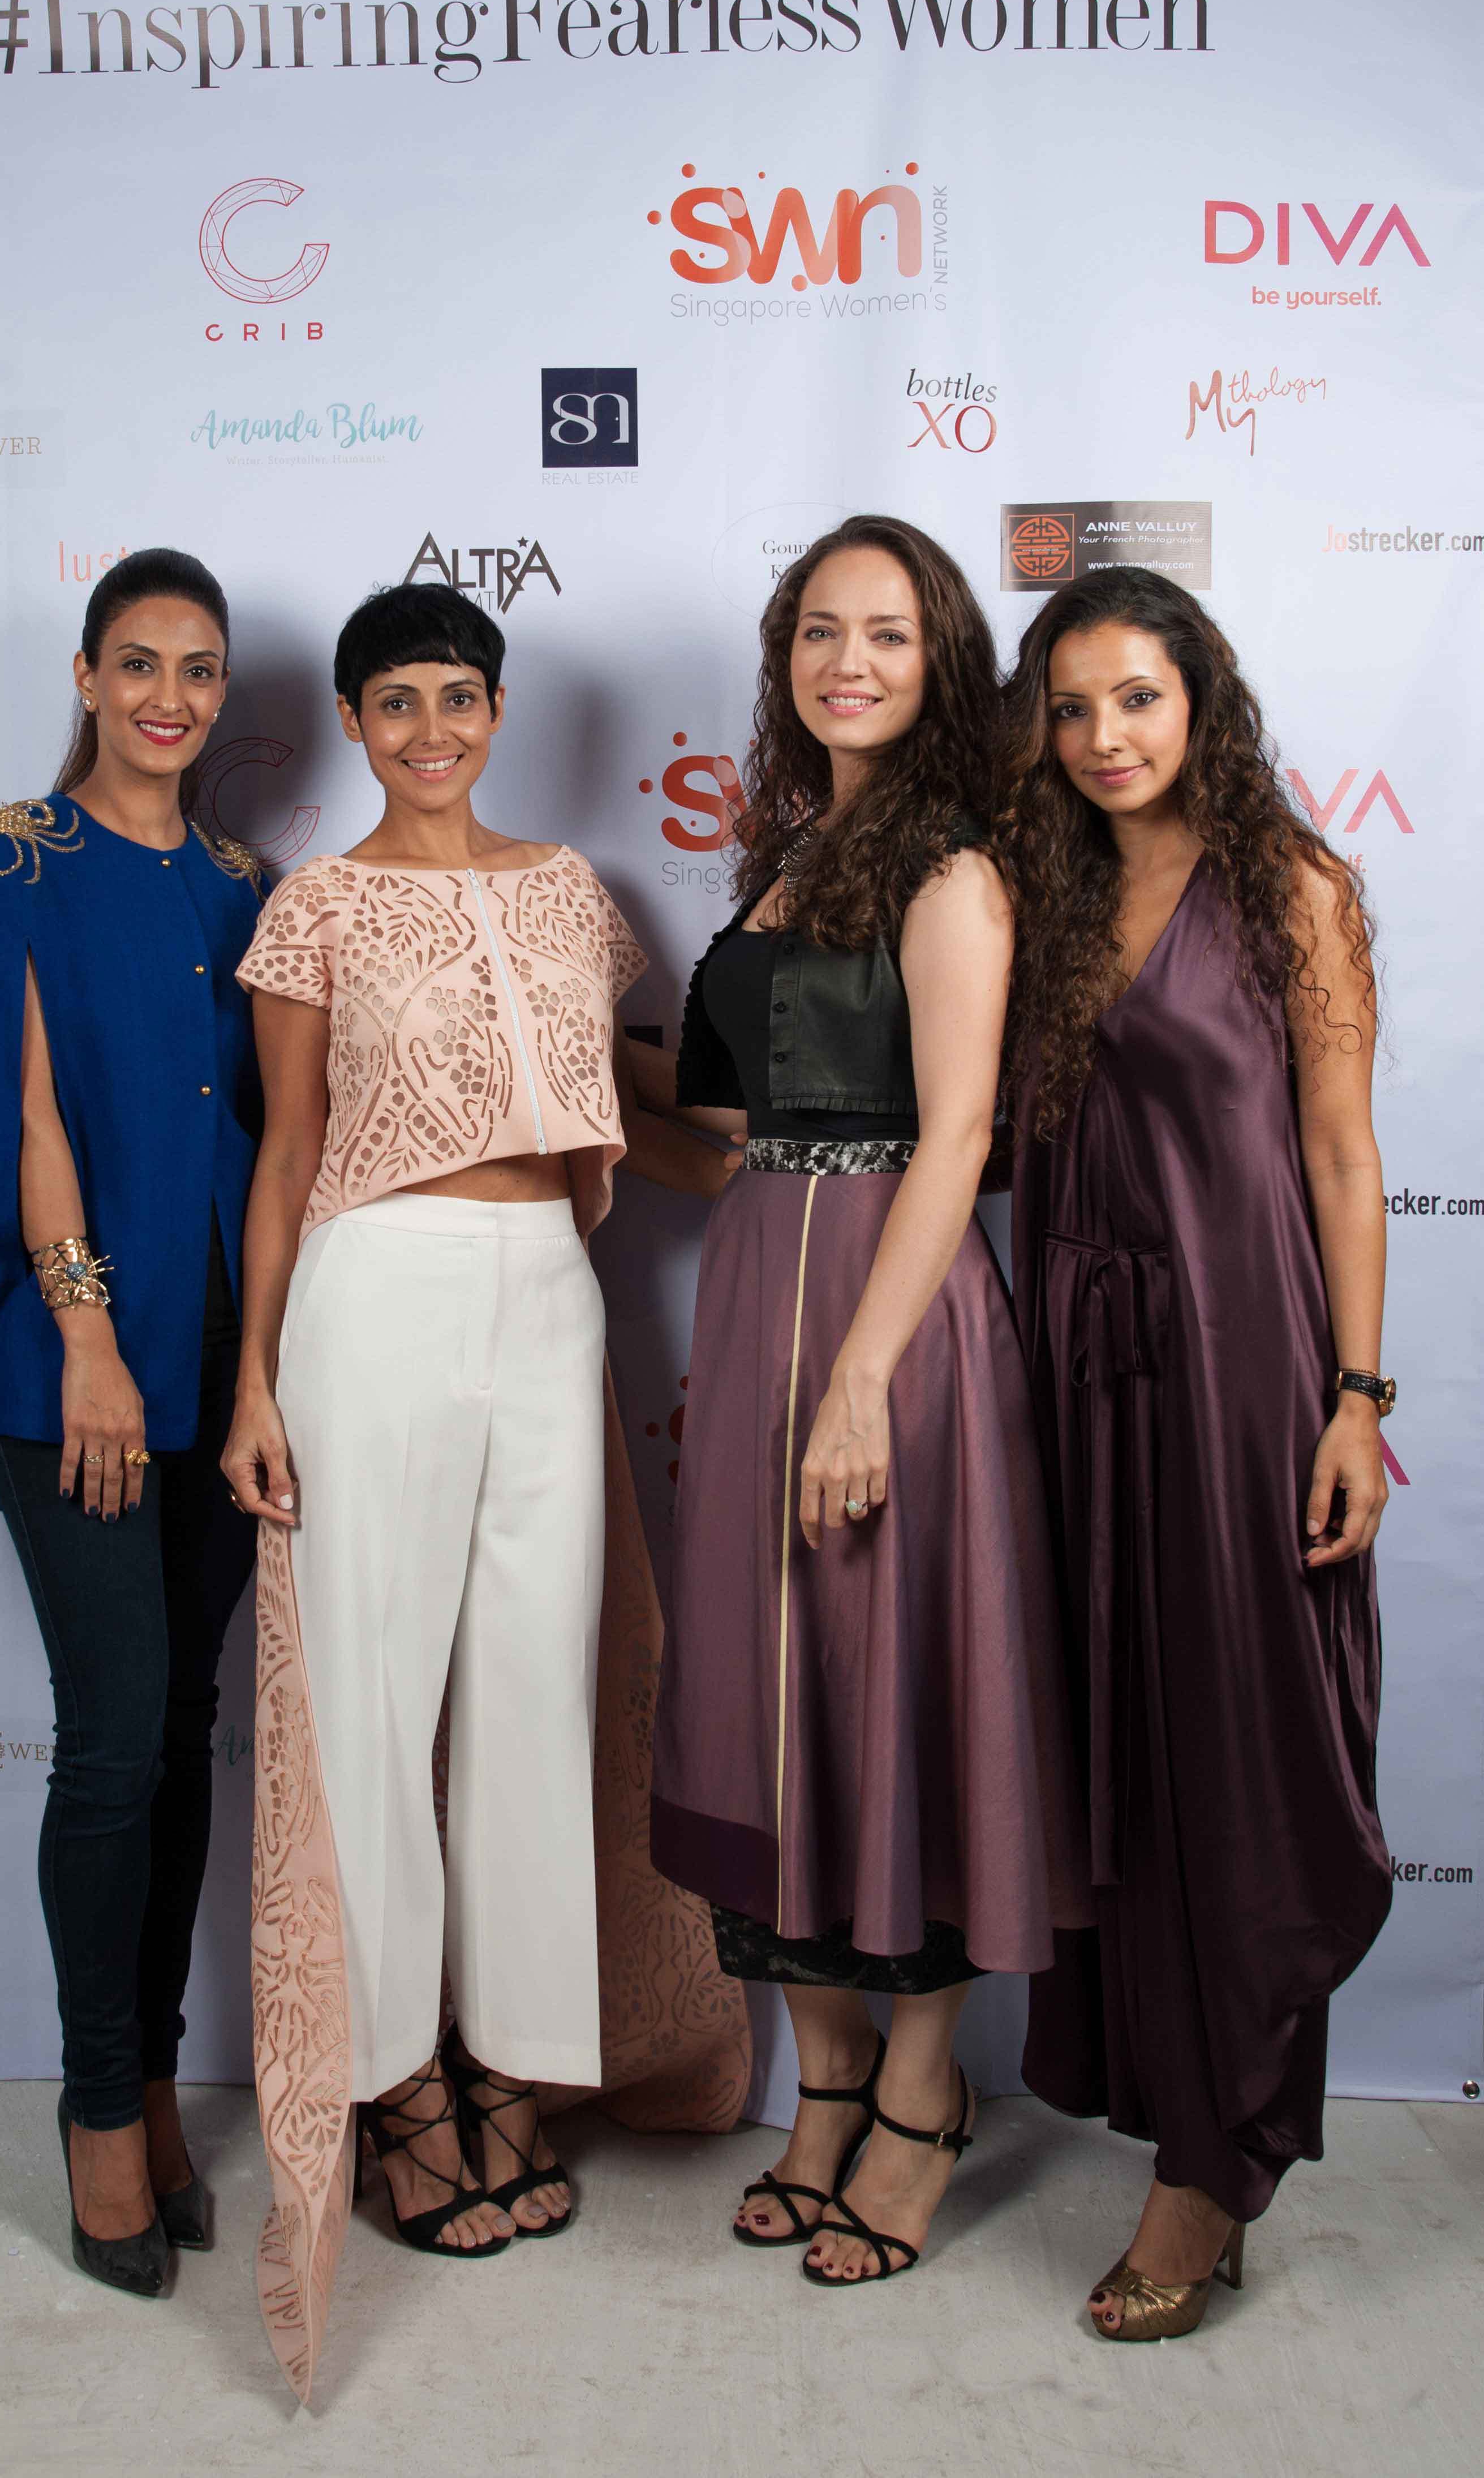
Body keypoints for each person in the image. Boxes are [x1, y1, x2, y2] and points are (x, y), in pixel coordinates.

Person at [221, 582, 748, 2399]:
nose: (431, 730)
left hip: (551, 1295)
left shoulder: (572, 894)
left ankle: (517, 2060)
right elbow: (288, 1154)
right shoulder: (316, 907)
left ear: (499, 711)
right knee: (372, 1705)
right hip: (374, 1294)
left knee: (535, 1695)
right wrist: (252, 1382)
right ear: (354, 725)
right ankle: (391, 2088)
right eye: (396, 703)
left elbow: (626, 1106)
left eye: (459, 697)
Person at [646, 515, 1089, 2291]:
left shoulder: (958, 869)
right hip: (761, 1283)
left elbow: (959, 1133)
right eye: (822, 631)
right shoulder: (784, 857)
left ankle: (920, 2096)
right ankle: (822, 2083)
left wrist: (858, 1383)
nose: (849, 662)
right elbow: (731, 1129)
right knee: (771, 1694)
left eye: (889, 635)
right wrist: (534, 1062)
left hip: (888, 1322)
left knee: (895, 1671)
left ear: (940, 662)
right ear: (786, 659)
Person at [0, 549, 263, 2299]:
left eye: (201, 669)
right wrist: (88, 1330)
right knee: (108, 1737)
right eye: (140, 663)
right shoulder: (3, 859)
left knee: (179, 1730)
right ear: (87, 674)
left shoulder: (246, 885)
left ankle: (157, 2090)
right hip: (69, 1362)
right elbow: (14, 1106)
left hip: (222, 1357)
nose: (171, 697)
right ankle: (97, 2116)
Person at [996, 566, 1392, 2342]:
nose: (1105, 737)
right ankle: (1180, 2116)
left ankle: (1215, 2171)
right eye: (1072, 708)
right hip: (1082, 1379)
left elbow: (1343, 1159)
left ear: (1203, 699)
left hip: (1242, 1374)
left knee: (1242, 1750)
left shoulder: (1293, 886)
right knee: (1127, 1752)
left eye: (1137, 698)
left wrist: (1357, 1399)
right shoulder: (1050, 891)